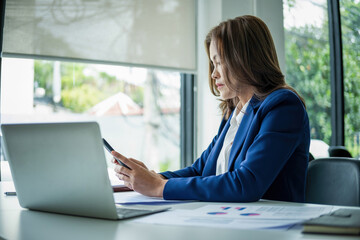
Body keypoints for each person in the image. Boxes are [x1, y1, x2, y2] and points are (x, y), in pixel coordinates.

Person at [112, 15, 310, 203]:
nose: (213, 74)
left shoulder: (283, 105)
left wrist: (159, 187)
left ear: (244, 58)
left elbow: (247, 183)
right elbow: (201, 170)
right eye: (212, 64)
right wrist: (151, 177)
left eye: (218, 62)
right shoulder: (235, 112)